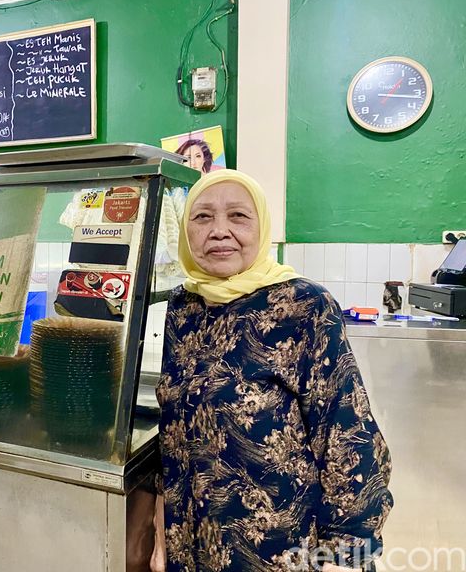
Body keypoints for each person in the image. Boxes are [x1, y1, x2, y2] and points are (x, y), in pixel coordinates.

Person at [151, 169, 392, 572]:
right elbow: (175, 424)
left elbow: (347, 432)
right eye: (203, 217)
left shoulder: (304, 305)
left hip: (279, 546)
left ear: (263, 229)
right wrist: (161, 522)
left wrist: (346, 555)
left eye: (239, 217)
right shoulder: (184, 305)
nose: (219, 231)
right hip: (192, 540)